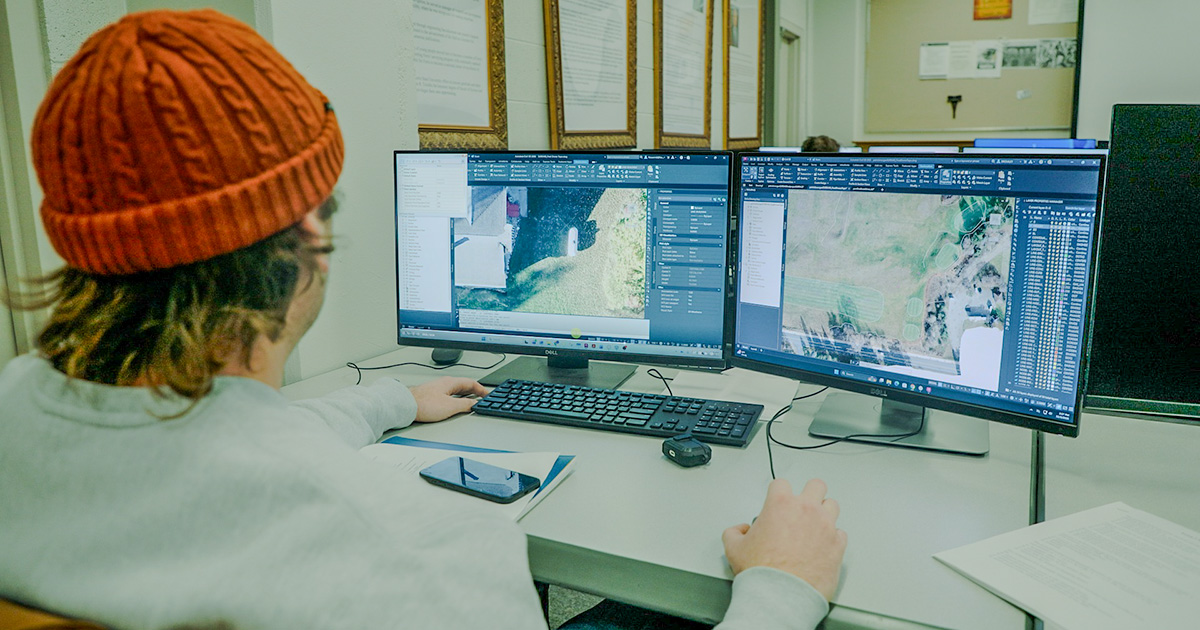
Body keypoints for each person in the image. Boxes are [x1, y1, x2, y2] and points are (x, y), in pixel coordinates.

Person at [0, 9, 846, 630]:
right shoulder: (418, 550)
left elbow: (217, 450)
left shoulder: (14, 411)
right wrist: (783, 587)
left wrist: (388, 402)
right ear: (310, 238)